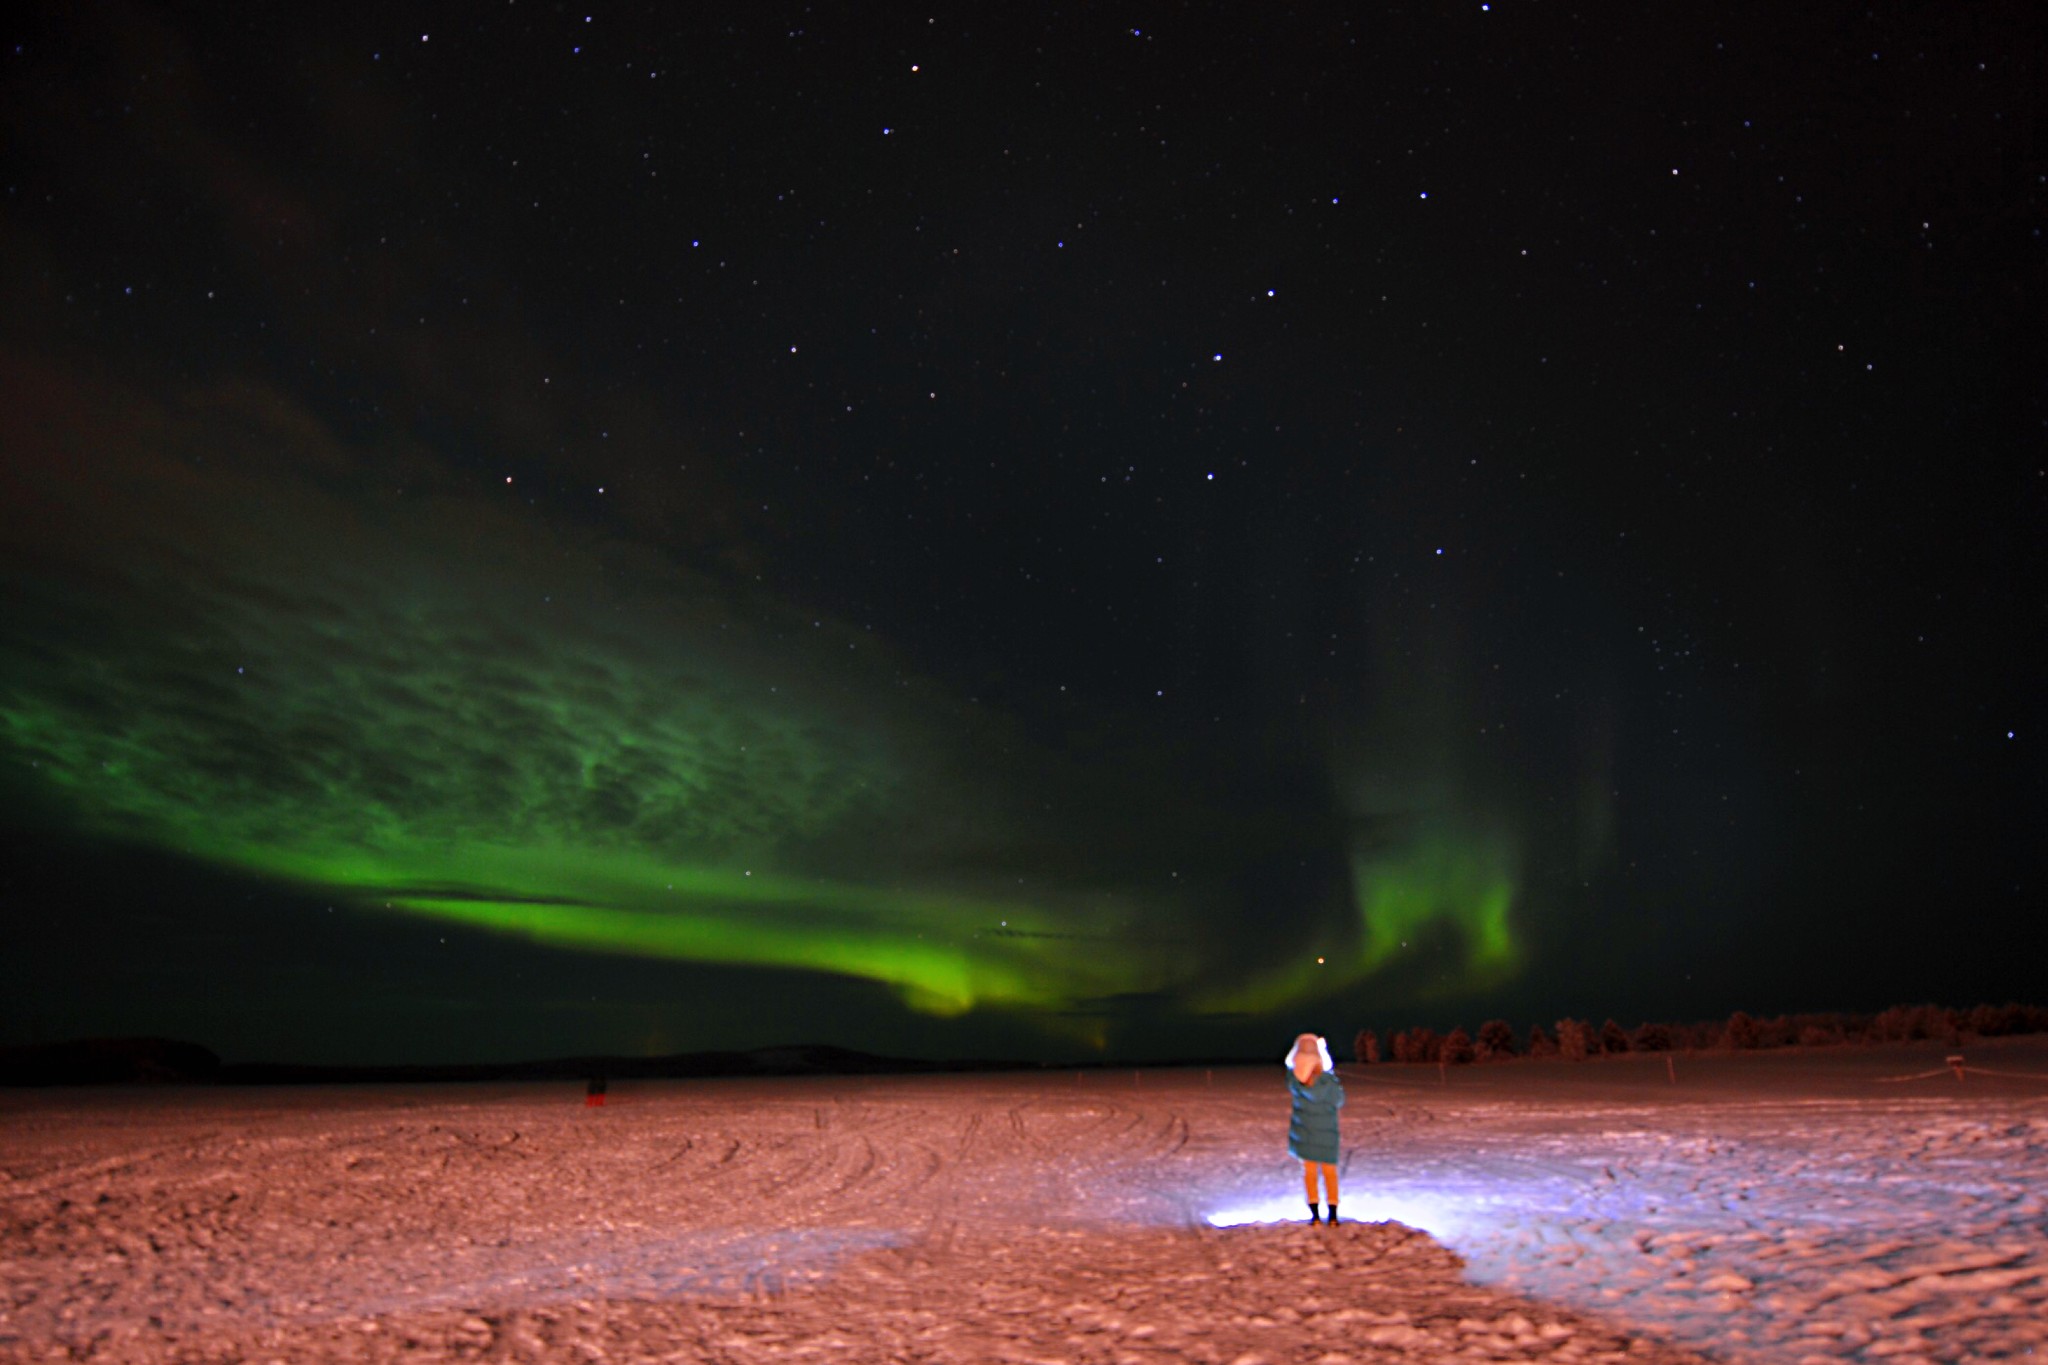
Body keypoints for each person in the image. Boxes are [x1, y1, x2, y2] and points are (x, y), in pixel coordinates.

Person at [1285, 1032, 1344, 1224]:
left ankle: (1315, 1215)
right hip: (1327, 1136)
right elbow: (1339, 1100)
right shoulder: (1329, 1082)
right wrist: (1323, 1052)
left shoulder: (1295, 1083)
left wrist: (1300, 1048)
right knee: (1330, 1173)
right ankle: (1333, 1215)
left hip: (1305, 1135)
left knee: (1309, 1174)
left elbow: (1288, 1065)